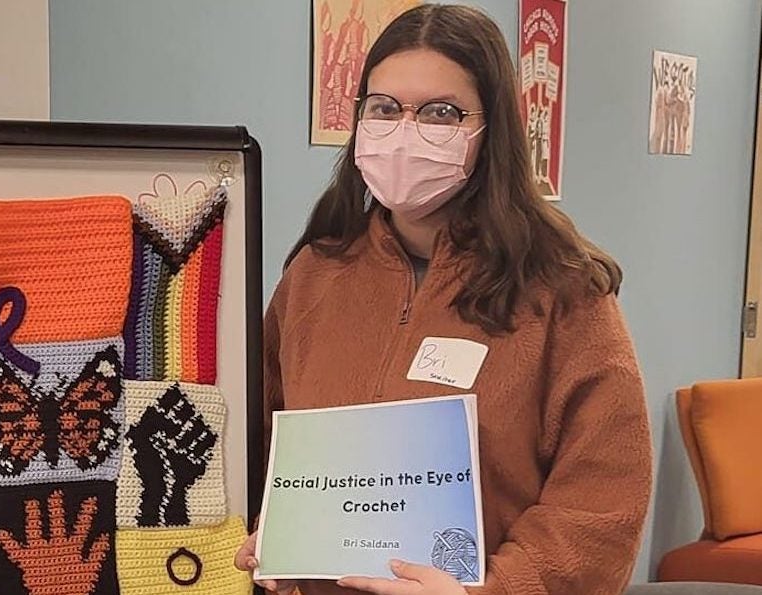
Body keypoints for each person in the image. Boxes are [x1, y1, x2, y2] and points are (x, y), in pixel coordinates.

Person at [234, 4, 652, 594]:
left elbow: (599, 506)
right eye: (384, 108)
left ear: (490, 130)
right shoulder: (314, 276)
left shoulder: (563, 291)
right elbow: (265, 449)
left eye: (440, 112)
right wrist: (271, 533)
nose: (406, 131)